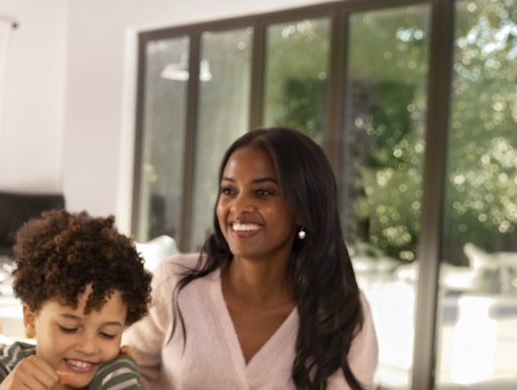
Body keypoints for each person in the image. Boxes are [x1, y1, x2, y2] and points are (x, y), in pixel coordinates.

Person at [125, 127, 379, 389]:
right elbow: (126, 373)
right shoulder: (174, 282)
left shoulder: (341, 309)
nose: (238, 207)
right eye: (228, 190)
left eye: (263, 192)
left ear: (303, 209)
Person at [0, 210, 152, 390]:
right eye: (69, 327)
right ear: (31, 319)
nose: (88, 347)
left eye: (108, 334)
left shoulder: (115, 377)